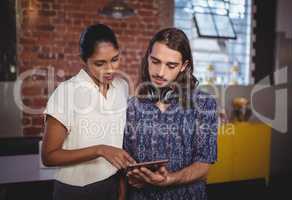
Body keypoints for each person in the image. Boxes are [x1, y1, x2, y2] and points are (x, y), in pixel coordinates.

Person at [42, 24, 135, 200]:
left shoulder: (121, 87)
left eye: (115, 59)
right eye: (100, 63)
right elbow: (49, 156)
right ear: (83, 60)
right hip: (76, 191)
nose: (110, 69)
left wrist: (122, 190)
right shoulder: (67, 92)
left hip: (113, 184)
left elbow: (119, 143)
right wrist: (100, 150)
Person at [123, 28, 218, 200]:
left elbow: (204, 164)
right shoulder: (131, 106)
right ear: (147, 59)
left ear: (184, 66)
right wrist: (134, 176)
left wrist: (169, 180)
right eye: (155, 61)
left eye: (171, 65)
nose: (160, 72)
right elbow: (126, 159)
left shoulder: (204, 103)